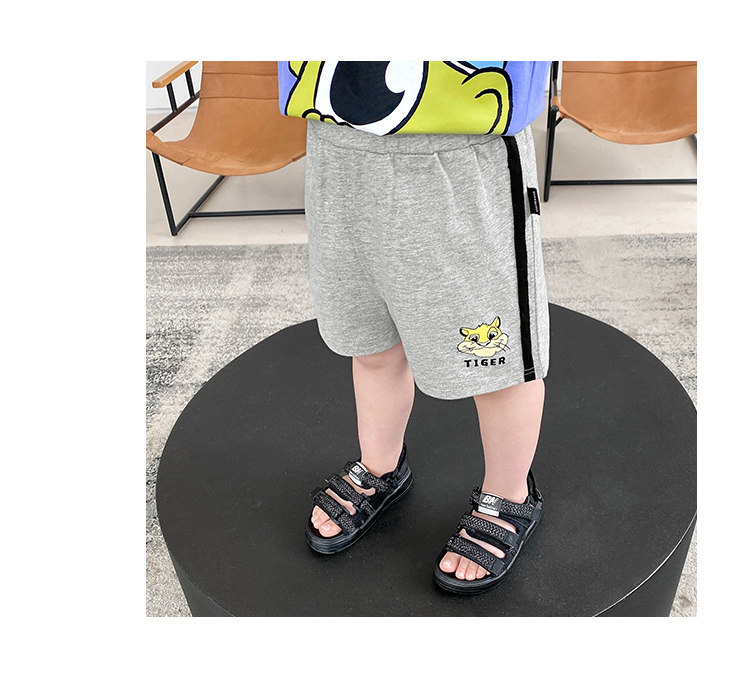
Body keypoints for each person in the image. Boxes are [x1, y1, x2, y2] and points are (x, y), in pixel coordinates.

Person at [278, 61, 551, 594]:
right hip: (338, 140)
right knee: (370, 341)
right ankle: (380, 465)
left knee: (496, 362)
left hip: (461, 137)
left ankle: (509, 494)